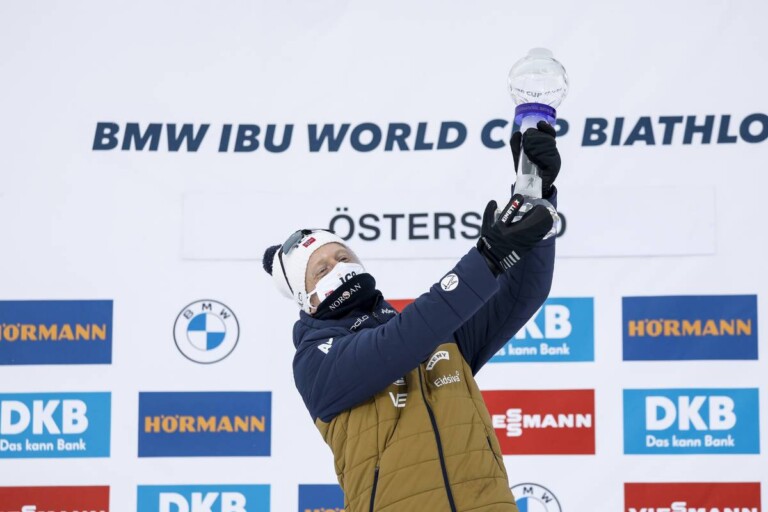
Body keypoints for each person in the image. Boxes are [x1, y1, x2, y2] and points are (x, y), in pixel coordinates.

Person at [262, 122, 561, 512]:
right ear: (306, 299)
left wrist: (534, 194)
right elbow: (397, 345)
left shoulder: (434, 334)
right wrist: (488, 257)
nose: (339, 267)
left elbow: (521, 293)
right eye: (322, 269)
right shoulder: (316, 361)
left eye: (343, 256)